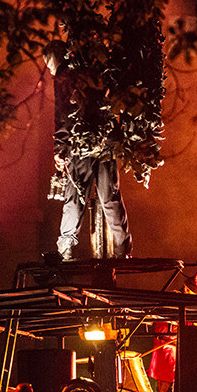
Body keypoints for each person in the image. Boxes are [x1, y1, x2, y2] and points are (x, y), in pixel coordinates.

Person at [43, 39, 133, 261]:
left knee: (75, 197)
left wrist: (60, 147)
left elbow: (62, 114)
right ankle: (123, 249)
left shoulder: (64, 76)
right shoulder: (96, 69)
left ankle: (65, 248)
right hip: (106, 142)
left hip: (81, 145)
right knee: (110, 196)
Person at [147, 275, 197, 392]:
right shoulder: (172, 299)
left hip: (180, 350)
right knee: (167, 386)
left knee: (181, 389)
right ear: (186, 288)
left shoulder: (191, 305)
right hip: (166, 348)